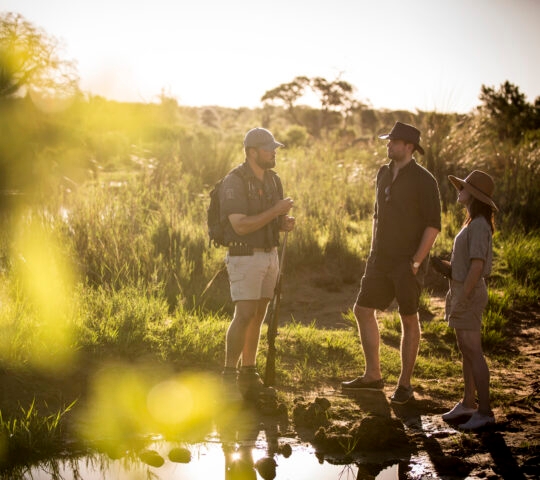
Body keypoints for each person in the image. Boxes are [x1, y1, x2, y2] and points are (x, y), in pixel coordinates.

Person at [341, 121, 441, 405]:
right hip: (380, 259)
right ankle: (373, 376)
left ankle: (405, 385)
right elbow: (376, 215)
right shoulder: (383, 173)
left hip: (408, 262)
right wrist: (373, 251)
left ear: (409, 147)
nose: (388, 145)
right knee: (362, 310)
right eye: (388, 141)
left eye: (393, 142)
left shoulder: (425, 180)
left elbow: (433, 226)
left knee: (408, 318)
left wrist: (417, 260)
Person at [220, 127, 295, 400]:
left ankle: (248, 372)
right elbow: (239, 226)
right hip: (244, 255)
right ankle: (229, 377)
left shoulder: (273, 180)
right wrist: (275, 211)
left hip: (269, 253)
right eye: (268, 148)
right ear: (252, 152)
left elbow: (269, 218)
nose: (274, 152)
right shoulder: (234, 181)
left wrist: (282, 223)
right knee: (244, 314)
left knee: (259, 313)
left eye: (274, 147)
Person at [438, 170, 497, 430]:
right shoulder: (472, 222)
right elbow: (466, 265)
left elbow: (477, 266)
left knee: (474, 350)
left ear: (474, 195)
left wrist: (462, 296)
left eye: (463, 187)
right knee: (465, 348)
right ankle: (468, 403)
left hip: (469, 293)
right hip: (462, 288)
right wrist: (448, 268)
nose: (459, 190)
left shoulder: (480, 224)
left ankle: (484, 412)